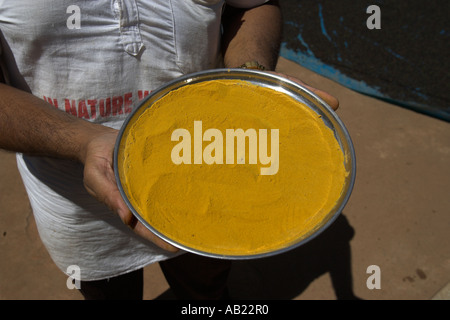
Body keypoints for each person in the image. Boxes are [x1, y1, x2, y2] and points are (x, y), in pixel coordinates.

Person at [0, 0, 339, 300]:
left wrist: (250, 78)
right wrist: (82, 140)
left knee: (206, 289)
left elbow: (250, 5)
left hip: (215, 173)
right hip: (75, 206)